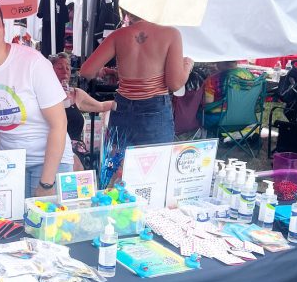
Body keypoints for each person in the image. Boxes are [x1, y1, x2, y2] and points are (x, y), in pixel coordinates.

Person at [0, 0, 72, 197]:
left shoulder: (32, 62)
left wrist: (47, 184)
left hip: (51, 162)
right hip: (10, 165)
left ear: (3, 29)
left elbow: (59, 124)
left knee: (44, 226)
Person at [80, 11, 193, 148]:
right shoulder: (171, 34)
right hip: (154, 108)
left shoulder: (118, 35)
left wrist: (115, 74)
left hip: (122, 106)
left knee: (119, 164)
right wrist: (187, 66)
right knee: (154, 163)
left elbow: (86, 71)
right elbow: (174, 84)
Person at [52, 52, 113, 170]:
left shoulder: (76, 94)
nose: (65, 71)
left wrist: (124, 102)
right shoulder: (44, 95)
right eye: (59, 68)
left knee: (77, 166)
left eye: (68, 68)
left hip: (75, 150)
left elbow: (100, 106)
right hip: (53, 148)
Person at [200, 61, 256, 127]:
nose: (215, 64)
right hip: (246, 116)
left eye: (216, 62)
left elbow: (208, 102)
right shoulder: (249, 74)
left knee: (198, 114)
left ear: (222, 62)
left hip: (223, 119)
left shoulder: (213, 79)